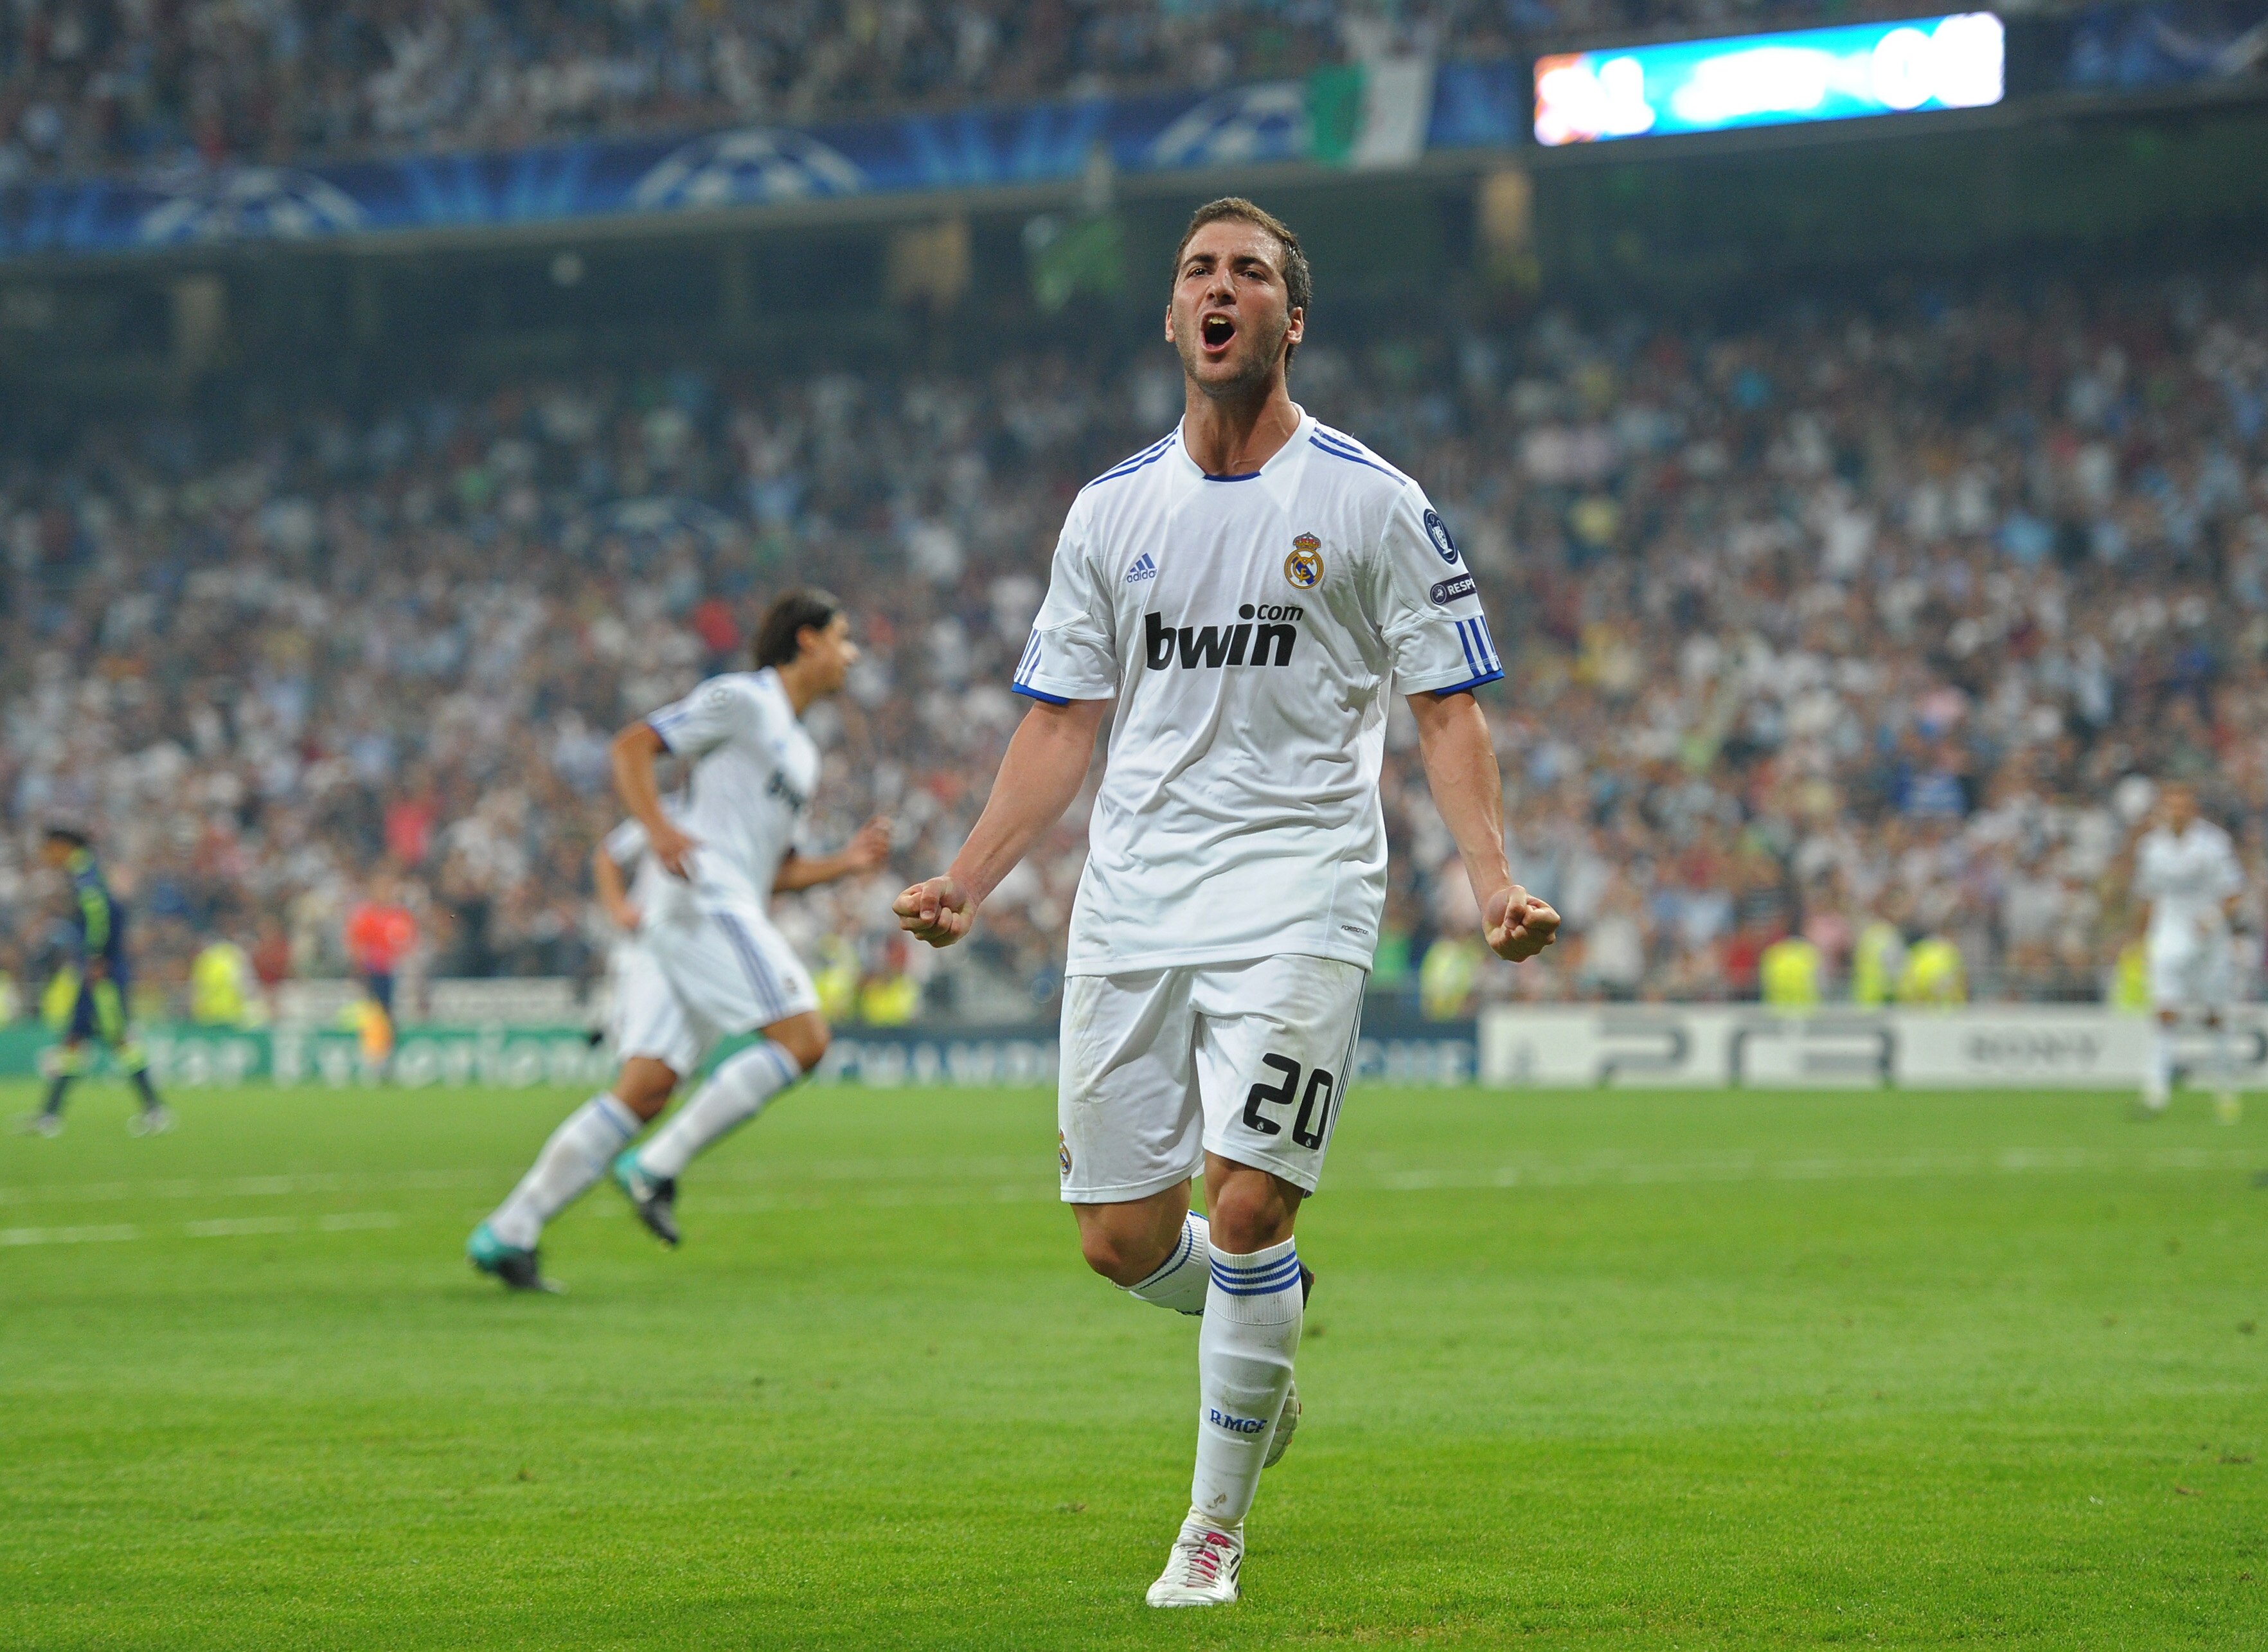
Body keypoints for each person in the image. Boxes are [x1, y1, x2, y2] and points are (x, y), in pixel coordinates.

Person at [893, 198, 1560, 1608]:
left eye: (1250, 273)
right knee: (1120, 1240)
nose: (1221, 288)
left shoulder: (1372, 499)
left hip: (1301, 892)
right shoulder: (1111, 510)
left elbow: (1445, 704)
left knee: (1247, 1204)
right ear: (1173, 318)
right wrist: (969, 871)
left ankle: (1210, 1532)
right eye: (1199, 270)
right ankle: (1258, 1361)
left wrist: (1488, 874)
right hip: (1135, 900)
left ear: (1288, 320)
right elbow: (1064, 722)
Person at [466, 589, 891, 1289]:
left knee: (647, 1086)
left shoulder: (803, 755)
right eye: (843, 638)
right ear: (807, 640)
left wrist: (843, 863)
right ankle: (656, 1166)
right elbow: (634, 745)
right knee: (805, 1038)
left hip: (719, 903)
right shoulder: (744, 699)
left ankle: (510, 1230)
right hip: (703, 897)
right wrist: (661, 829)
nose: (851, 655)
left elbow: (776, 871)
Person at [15, 825, 172, 1137]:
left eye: (49, 849)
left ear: (62, 846)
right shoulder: (88, 871)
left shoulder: (85, 876)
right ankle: (49, 1116)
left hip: (103, 977)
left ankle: (155, 1110)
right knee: (74, 1039)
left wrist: (96, 955)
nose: (47, 856)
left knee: (119, 1038)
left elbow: (99, 913)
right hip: (96, 973)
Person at [2133, 781, 2246, 1122]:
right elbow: (2148, 896)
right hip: (2168, 935)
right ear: (2164, 810)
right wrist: (2142, 937)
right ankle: (2156, 1092)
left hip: (2209, 938)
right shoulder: (2151, 848)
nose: (2177, 812)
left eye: (2183, 805)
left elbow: (2234, 892)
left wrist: (2212, 919)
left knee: (2215, 1015)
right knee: (2165, 1011)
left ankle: (2225, 1088)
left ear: (2192, 809)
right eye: (2171, 805)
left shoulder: (2213, 844)